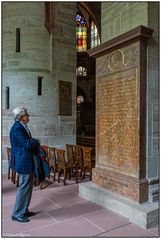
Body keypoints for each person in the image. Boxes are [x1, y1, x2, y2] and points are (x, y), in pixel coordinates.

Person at [10, 106, 40, 223]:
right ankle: (17, 213)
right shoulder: (17, 128)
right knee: (23, 187)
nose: (28, 116)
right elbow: (27, 144)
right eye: (26, 115)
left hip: (26, 161)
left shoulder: (22, 126)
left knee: (28, 187)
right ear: (21, 117)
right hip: (23, 162)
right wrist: (37, 141)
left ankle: (24, 210)